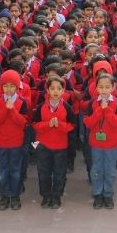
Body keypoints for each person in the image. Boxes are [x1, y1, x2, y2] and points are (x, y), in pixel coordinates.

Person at [33, 76, 76, 209]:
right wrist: (47, 124)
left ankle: (56, 196)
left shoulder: (67, 107)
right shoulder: (41, 107)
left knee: (59, 172)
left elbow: (72, 125)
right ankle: (46, 196)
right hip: (43, 146)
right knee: (43, 172)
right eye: (52, 88)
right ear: (47, 91)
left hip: (60, 146)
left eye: (59, 88)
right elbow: (34, 124)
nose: (55, 91)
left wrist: (60, 125)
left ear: (63, 91)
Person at [84, 72, 117, 209]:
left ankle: (108, 194)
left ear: (113, 87)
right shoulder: (92, 103)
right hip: (96, 143)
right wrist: (99, 111)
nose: (104, 90)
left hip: (111, 144)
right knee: (96, 169)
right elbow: (88, 123)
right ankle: (97, 194)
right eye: (101, 87)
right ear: (96, 88)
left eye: (107, 87)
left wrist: (107, 111)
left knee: (110, 170)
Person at [0, 69, 29, 211]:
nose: (8, 89)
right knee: (3, 171)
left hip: (16, 142)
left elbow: (22, 122)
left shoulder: (22, 102)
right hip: (2, 142)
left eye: (12, 86)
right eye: (5, 86)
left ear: (17, 86)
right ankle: (4, 195)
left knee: (15, 170)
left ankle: (15, 195)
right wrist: (5, 109)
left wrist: (12, 109)